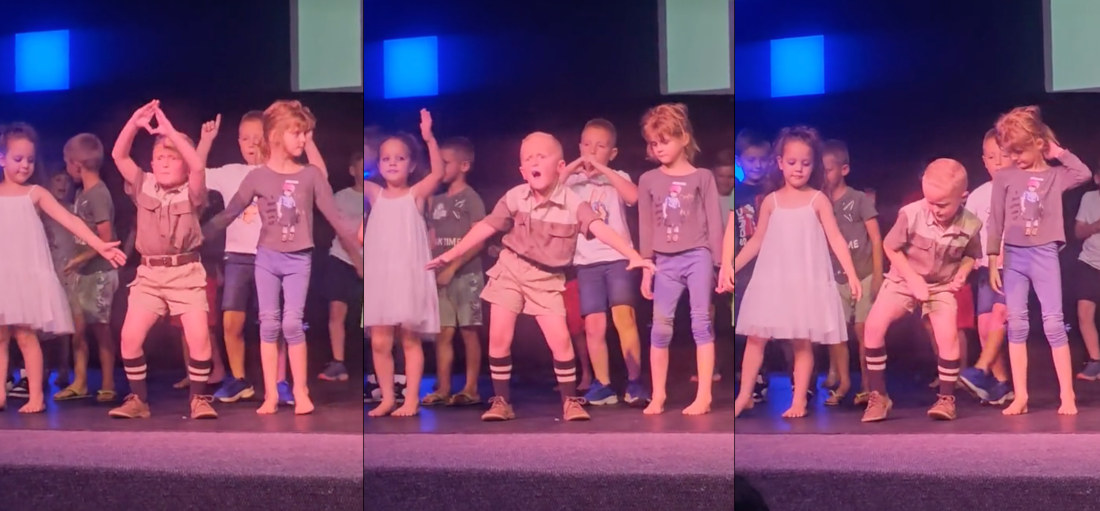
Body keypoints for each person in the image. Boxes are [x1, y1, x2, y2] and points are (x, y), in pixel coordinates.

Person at [427, 131, 653, 422]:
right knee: (498, 336)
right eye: (527, 158)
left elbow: (600, 228)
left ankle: (570, 401)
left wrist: (632, 254)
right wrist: (449, 255)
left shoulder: (571, 201)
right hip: (510, 269)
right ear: (522, 171)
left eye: (541, 156)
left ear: (560, 167)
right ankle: (501, 401)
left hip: (546, 278)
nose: (534, 161)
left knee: (560, 341)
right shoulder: (515, 197)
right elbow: (487, 226)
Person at [205, 100, 361, 415]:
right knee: (269, 324)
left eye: (305, 134)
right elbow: (229, 214)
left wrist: (358, 252)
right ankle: (271, 396)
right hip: (267, 258)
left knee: (292, 323)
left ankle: (300, 391)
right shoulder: (257, 177)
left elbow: (334, 216)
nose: (303, 140)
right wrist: (196, 235)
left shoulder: (311, 175)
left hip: (298, 259)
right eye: (297, 133)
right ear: (276, 135)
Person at [724, 126, 860, 419]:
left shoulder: (818, 200)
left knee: (802, 341)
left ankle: (799, 399)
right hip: (772, 281)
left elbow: (835, 237)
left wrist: (851, 272)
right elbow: (757, 240)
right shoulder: (771, 201)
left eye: (806, 163)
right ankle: (744, 395)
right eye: (792, 162)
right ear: (781, 163)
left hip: (804, 282)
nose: (799, 168)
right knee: (756, 338)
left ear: (814, 165)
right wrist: (731, 266)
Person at [0, 122, 125, 413]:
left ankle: (36, 397)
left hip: (25, 274)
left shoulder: (35, 193)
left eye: (30, 160)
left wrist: (98, 244)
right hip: (3, 274)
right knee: (0, 336)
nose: (25, 165)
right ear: (2, 158)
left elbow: (70, 221)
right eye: (18, 159)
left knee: (25, 335)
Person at [108, 100, 217, 419]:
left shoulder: (193, 190)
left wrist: (167, 128)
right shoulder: (143, 184)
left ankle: (199, 399)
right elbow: (119, 155)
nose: (165, 163)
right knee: (129, 337)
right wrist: (134, 122)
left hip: (185, 274)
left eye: (173, 158)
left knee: (199, 338)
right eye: (159, 158)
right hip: (150, 277)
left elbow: (197, 166)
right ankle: (138, 400)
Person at [858, 159, 981, 422]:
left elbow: (971, 255)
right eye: (930, 201)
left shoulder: (971, 224)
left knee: (947, 335)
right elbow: (891, 247)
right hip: (904, 279)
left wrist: (963, 271)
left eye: (942, 204)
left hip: (940, 286)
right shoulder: (912, 213)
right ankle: (878, 396)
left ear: (963, 197)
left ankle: (947, 399)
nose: (934, 209)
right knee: (873, 326)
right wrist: (912, 279)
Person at [987, 106, 1091, 416]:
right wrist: (994, 258)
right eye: (1010, 152)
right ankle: (1021, 396)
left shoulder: (1054, 176)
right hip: (1015, 256)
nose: (1014, 158)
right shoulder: (1004, 177)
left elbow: (1083, 173)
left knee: (1053, 323)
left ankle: (1067, 395)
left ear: (1037, 143)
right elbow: (996, 219)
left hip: (1045, 254)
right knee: (1016, 324)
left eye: (1019, 151)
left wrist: (1057, 151)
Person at [637, 104, 724, 416]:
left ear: (684, 138)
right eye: (654, 143)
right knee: (660, 328)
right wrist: (647, 267)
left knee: (701, 323)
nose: (659, 148)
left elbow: (715, 223)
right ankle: (658, 394)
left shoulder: (702, 177)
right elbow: (646, 226)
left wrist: (720, 264)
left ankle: (704, 395)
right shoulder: (648, 179)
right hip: (664, 262)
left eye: (665, 141)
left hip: (698, 256)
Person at [362, 110, 445, 418]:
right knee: (381, 341)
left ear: (411, 165)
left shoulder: (415, 193)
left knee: (409, 339)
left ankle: (411, 399)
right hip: (382, 278)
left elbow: (437, 173)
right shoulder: (374, 193)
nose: (392, 163)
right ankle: (386, 398)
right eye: (386, 159)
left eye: (399, 158)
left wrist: (429, 138)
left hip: (408, 277)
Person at [562, 119, 647, 406]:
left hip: (618, 258)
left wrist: (602, 169)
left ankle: (635, 382)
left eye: (600, 147)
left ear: (612, 153)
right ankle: (602, 384)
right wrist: (575, 167)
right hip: (586, 263)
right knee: (594, 326)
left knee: (625, 318)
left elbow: (634, 197)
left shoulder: (617, 174)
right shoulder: (571, 183)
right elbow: (551, 190)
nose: (591, 151)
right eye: (586, 144)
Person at [421, 137, 486, 406]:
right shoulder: (434, 200)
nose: (440, 167)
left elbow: (480, 239)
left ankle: (471, 388)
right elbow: (430, 236)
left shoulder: (471, 198)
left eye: (445, 163)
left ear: (464, 165)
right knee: (443, 333)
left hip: (467, 275)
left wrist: (453, 267)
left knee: (469, 331)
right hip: (440, 277)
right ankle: (444, 387)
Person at [58, 133, 121, 403]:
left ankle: (108, 382)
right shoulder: (82, 193)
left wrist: (78, 260)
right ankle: (80, 381)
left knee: (100, 327)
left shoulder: (98, 194)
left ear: (76, 164)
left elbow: (106, 239)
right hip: (82, 273)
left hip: (99, 272)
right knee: (79, 328)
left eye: (67, 163)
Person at [821, 139, 883, 406]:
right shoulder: (819, 202)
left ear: (843, 169)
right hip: (835, 277)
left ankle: (869, 386)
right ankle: (844, 382)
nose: (824, 176)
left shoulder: (858, 199)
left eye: (829, 170)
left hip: (864, 273)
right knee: (836, 332)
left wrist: (879, 274)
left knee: (863, 331)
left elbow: (876, 239)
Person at [956, 129, 1013, 404]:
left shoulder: (1021, 189)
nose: (998, 162)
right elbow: (969, 234)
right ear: (984, 160)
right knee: (984, 327)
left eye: (1003, 155)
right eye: (992, 157)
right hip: (984, 271)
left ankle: (979, 370)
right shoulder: (979, 195)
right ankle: (1001, 384)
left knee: (1001, 315)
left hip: (1012, 268)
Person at [318, 151, 365, 383]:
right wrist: (357, 261)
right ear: (352, 170)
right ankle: (338, 363)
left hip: (372, 263)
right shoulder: (342, 197)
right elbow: (342, 232)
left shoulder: (377, 196)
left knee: (370, 318)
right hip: (342, 259)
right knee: (337, 311)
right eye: (360, 166)